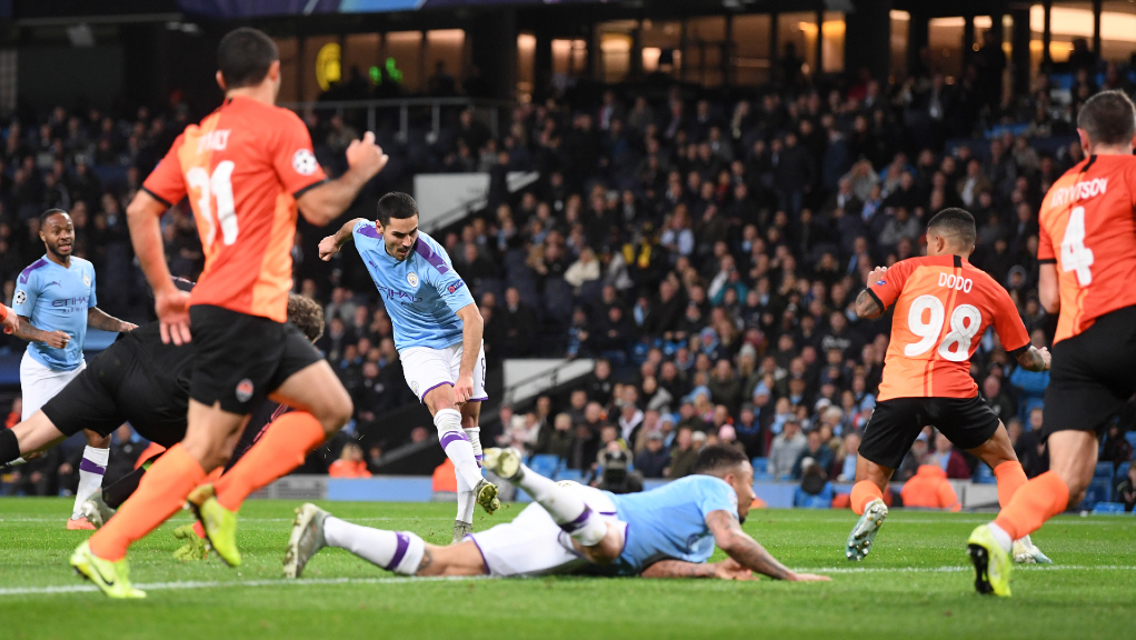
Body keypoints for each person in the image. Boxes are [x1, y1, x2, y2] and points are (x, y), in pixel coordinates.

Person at [68, 27, 389, 599]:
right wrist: (361, 169)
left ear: (220, 81)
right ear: (274, 73)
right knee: (207, 449)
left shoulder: (197, 136)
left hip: (236, 307)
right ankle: (107, 546)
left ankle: (217, 499)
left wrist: (165, 289)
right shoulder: (279, 124)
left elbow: (142, 211)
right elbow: (318, 206)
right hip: (245, 310)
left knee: (330, 406)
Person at [0, 292, 328, 562]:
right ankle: (109, 507)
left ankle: (106, 501)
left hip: (122, 357)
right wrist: (205, 529)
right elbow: (240, 453)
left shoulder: (233, 308)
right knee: (208, 450)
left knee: (28, 437)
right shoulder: (271, 357)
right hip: (160, 394)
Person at [968, 91, 1136, 596]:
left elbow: (1048, 295)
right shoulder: (1130, 175)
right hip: (1128, 321)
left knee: (1069, 477)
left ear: (1082, 138)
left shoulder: (1055, 194)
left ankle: (998, 534)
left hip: (1076, 344)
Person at [284, 445, 830, 584]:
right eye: (750, 487)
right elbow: (734, 540)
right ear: (730, 480)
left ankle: (326, 529)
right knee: (609, 545)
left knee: (442, 566)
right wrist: (787, 575)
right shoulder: (712, 489)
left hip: (567, 532)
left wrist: (709, 572)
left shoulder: (700, 537)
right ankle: (522, 477)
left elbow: (652, 568)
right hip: (591, 513)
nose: (751, 499)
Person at [845, 208, 1052, 565]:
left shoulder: (907, 269)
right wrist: (1045, 359)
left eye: (928, 242)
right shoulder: (993, 288)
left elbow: (864, 308)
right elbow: (1026, 358)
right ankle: (1021, 543)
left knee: (868, 479)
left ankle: (873, 505)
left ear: (938, 240)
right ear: (971, 245)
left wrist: (874, 283)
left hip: (900, 390)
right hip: (954, 392)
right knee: (1005, 461)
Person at [318, 191, 498, 543]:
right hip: (417, 345)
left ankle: (463, 525)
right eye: (399, 234)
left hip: (460, 339)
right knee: (444, 408)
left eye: (413, 232)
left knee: (470, 422)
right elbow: (351, 226)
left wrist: (464, 374)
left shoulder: (430, 259)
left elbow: (474, 319)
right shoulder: (365, 236)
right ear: (380, 228)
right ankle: (478, 482)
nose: (407, 241)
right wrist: (333, 241)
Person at [10, 208, 136, 529]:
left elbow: (89, 312)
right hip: (42, 368)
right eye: (56, 231)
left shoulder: (86, 268)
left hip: (76, 367)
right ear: (43, 236)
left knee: (100, 433)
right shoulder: (32, 275)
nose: (65, 236)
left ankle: (81, 514)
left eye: (68, 230)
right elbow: (17, 325)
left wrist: (123, 325)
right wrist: (44, 335)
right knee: (34, 450)